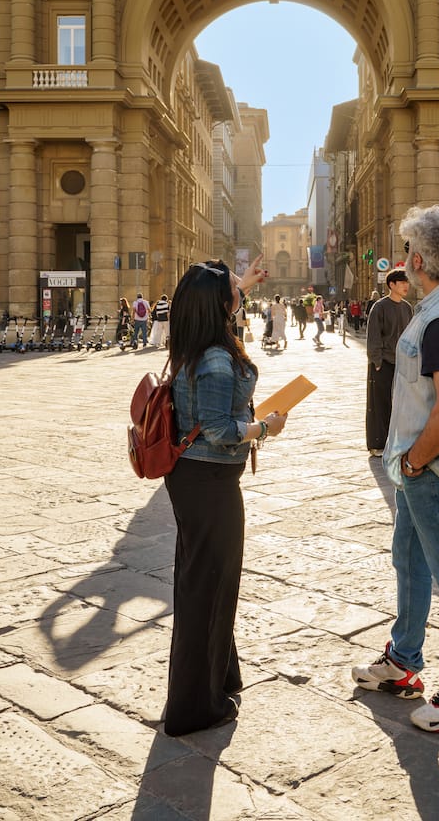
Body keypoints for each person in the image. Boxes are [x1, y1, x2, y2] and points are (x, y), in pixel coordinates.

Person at [352, 204, 439, 734]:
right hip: (420, 471)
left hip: (435, 471)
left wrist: (413, 460)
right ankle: (404, 660)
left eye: (411, 249)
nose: (406, 259)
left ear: (421, 258)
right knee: (409, 561)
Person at [165, 257, 287, 737]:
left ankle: (220, 676)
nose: (239, 294)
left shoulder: (199, 339)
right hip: (209, 480)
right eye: (232, 290)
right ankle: (195, 707)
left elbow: (223, 299)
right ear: (219, 304)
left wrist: (246, 284)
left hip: (197, 480)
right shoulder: (216, 358)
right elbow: (217, 429)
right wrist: (265, 427)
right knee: (208, 590)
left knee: (207, 584)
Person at [366, 267, 413, 457]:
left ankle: (399, 441)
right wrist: (376, 360)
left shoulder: (407, 307)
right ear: (391, 285)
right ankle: (377, 444)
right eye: (402, 282)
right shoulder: (380, 307)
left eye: (407, 282)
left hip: (402, 363)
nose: (406, 286)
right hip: (383, 361)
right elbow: (374, 336)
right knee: (379, 403)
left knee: (403, 403)